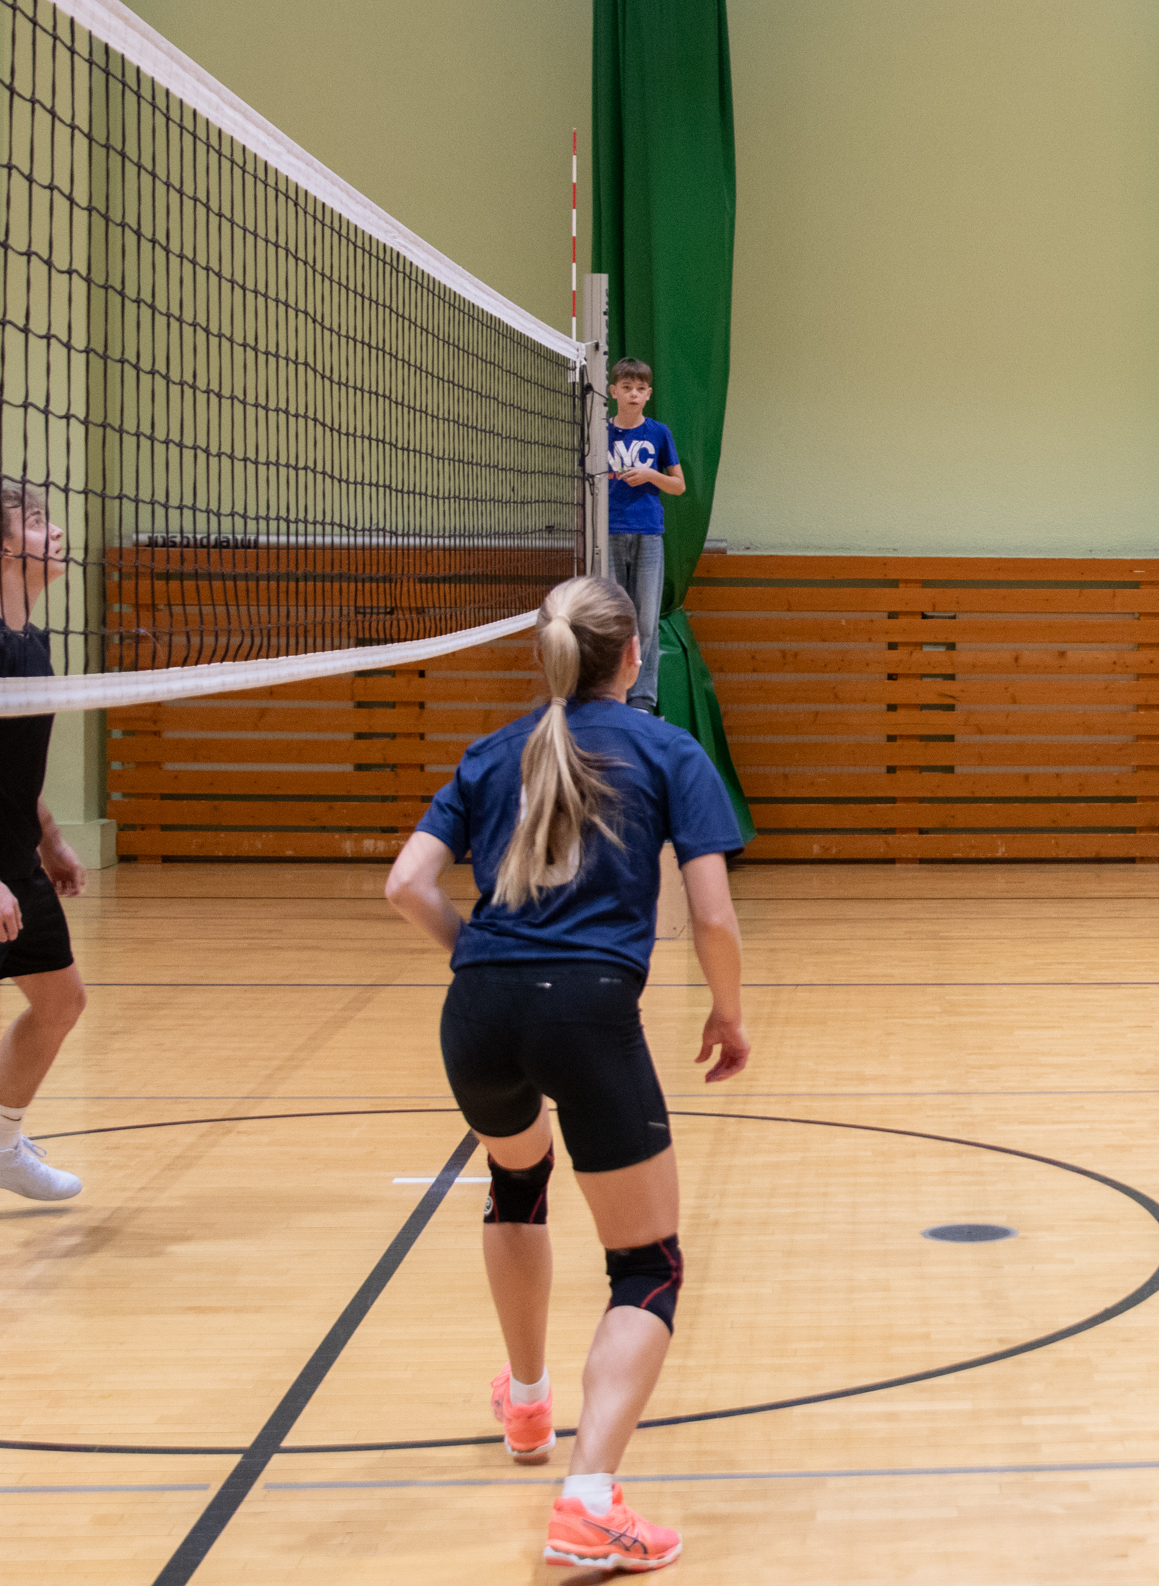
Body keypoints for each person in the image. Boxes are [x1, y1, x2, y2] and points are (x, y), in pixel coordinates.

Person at [385, 576, 748, 1570]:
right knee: (648, 1267)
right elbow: (712, 916)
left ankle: (528, 1402)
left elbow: (406, 884)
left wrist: (480, 957)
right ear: (634, 655)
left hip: (477, 1015)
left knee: (517, 1181)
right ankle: (588, 1499)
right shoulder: (667, 750)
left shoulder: (493, 750)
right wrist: (727, 1011)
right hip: (586, 1011)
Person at [0, 482, 92, 1204]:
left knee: (60, 1002)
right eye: (34, 521)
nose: (54, 531)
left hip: (14, 860)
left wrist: (50, 837)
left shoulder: (32, 641)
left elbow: (12, 764)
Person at [604, 359, 685, 716]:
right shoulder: (600, 433)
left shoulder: (659, 432)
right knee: (613, 617)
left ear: (649, 394)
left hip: (649, 532)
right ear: (614, 391)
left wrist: (649, 475)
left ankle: (642, 700)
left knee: (646, 620)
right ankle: (611, 691)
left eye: (640, 389)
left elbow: (679, 485)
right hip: (609, 532)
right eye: (626, 388)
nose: (633, 394)